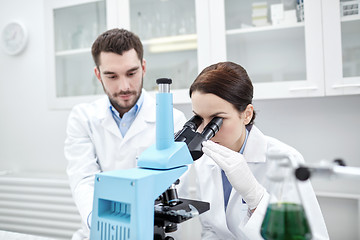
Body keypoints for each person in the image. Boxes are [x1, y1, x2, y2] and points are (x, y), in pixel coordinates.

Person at [177, 61, 329, 239]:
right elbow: (212, 229)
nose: (206, 132)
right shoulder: (205, 160)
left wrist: (254, 196)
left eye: (216, 120)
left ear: (246, 114)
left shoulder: (286, 160)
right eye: (198, 119)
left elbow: (312, 237)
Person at [64, 28, 186, 240]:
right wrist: (103, 224)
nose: (124, 86)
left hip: (148, 231)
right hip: (97, 231)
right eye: (111, 76)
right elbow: (83, 179)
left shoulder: (173, 120)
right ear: (98, 75)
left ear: (144, 67)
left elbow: (170, 184)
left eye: (131, 73)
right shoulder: (82, 117)